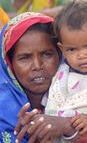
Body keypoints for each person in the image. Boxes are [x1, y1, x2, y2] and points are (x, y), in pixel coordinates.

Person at [14, 1, 87, 143]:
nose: (82, 55)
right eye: (72, 49)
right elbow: (49, 106)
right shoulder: (60, 73)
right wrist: (37, 120)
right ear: (62, 49)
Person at [0, 12, 62, 142]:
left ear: (60, 54)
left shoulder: (86, 95)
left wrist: (68, 127)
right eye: (25, 58)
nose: (37, 66)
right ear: (9, 64)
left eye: (46, 54)